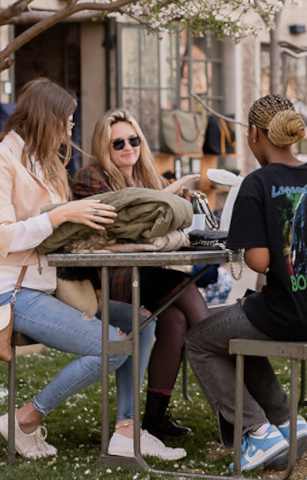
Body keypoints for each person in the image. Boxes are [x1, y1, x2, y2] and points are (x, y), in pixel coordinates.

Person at [0, 79, 182, 461]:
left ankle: (126, 431)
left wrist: (151, 209)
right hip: (3, 290)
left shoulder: (46, 164)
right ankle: (25, 419)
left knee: (142, 322)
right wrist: (62, 215)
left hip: (47, 287)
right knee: (112, 346)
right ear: (45, 120)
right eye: (66, 122)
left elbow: (64, 234)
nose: (70, 131)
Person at [185, 94, 307, 472]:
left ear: (254, 134)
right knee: (237, 334)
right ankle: (287, 422)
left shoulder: (257, 183)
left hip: (289, 313)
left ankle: (255, 431)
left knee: (199, 340)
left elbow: (259, 262)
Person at [72, 109, 208, 442]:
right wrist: (165, 199)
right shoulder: (90, 177)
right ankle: (224, 377)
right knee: (187, 293)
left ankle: (155, 417)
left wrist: (172, 200)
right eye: (118, 143)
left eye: (133, 140)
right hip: (111, 276)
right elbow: (121, 227)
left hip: (146, 272)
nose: (127, 148)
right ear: (104, 146)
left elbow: (162, 224)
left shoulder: (149, 176)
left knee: (176, 320)